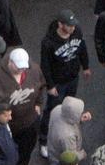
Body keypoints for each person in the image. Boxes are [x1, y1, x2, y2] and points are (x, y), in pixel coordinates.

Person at [0, 47, 46, 165]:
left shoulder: (34, 70)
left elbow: (41, 86)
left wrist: (38, 103)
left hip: (29, 122)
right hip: (5, 128)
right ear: (10, 62)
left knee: (25, 153)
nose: (22, 70)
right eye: (18, 67)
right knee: (5, 156)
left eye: (24, 67)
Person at [39, 11, 91, 155]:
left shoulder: (76, 32)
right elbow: (45, 65)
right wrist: (50, 86)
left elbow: (82, 48)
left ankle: (69, 128)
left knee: (69, 107)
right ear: (60, 24)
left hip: (73, 78)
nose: (73, 28)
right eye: (69, 25)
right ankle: (43, 141)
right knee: (51, 110)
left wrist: (85, 66)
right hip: (58, 83)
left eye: (73, 25)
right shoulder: (48, 42)